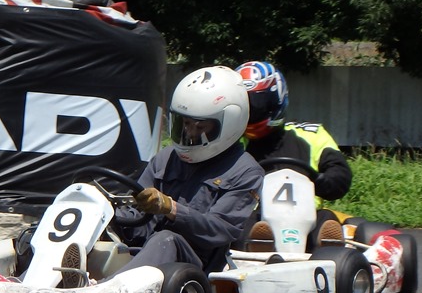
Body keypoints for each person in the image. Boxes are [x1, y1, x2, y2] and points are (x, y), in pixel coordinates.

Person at [115, 65, 264, 274]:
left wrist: (171, 208)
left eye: (200, 127)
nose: (190, 132)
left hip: (197, 268)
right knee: (105, 229)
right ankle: (74, 279)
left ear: (229, 123)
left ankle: (108, 288)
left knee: (166, 239)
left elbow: (220, 230)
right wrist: (109, 215)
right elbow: (140, 218)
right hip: (146, 254)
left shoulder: (246, 171)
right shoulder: (165, 158)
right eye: (185, 123)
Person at [235, 60, 353, 251]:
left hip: (307, 219)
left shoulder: (311, 134)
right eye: (244, 107)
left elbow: (340, 172)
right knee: (242, 223)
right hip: (258, 216)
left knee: (326, 218)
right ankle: (260, 245)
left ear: (276, 101)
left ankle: (328, 251)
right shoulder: (233, 144)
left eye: (256, 105)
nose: (251, 113)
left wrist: (324, 181)